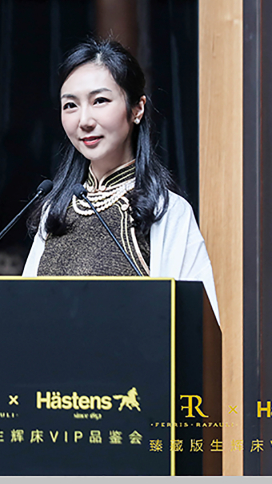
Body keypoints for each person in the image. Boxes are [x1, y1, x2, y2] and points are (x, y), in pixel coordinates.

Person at [22, 38, 220, 323]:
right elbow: (26, 317)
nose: (84, 120)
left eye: (100, 101)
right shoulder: (54, 211)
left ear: (137, 108)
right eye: (70, 105)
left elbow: (196, 328)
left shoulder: (166, 211)